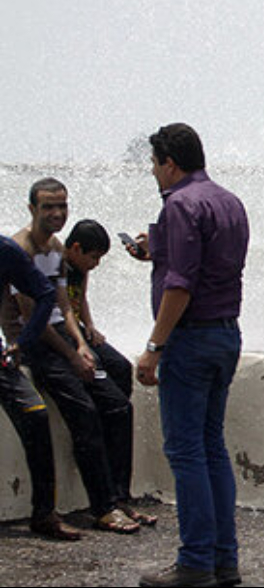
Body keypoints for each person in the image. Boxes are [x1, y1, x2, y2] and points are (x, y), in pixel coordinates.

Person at [132, 124, 250, 588]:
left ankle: (195, 562)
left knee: (185, 453)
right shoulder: (229, 201)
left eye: (155, 166)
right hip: (226, 335)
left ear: (170, 163)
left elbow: (181, 284)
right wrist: (155, 250)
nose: (155, 175)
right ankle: (224, 560)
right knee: (211, 447)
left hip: (191, 340)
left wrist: (153, 348)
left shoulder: (180, 203)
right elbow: (210, 262)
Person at [1, 178, 140, 534]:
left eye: (62, 206)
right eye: (48, 207)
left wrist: (81, 344)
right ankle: (102, 507)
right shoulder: (21, 250)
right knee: (85, 411)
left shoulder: (56, 249)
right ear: (32, 209)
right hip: (36, 345)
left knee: (118, 405)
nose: (57, 213)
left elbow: (64, 305)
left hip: (61, 338)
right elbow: (34, 318)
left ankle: (119, 498)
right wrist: (72, 355)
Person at [64, 218, 157, 525]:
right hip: (62, 340)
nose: (96, 264)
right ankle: (111, 498)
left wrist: (89, 327)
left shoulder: (80, 268)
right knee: (118, 407)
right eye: (93, 258)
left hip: (76, 331)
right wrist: (80, 343)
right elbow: (60, 309)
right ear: (76, 248)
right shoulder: (55, 266)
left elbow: (79, 303)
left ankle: (119, 489)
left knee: (120, 367)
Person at [0, 234, 83, 540]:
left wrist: (23, 341)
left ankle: (44, 513)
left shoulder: (5, 250)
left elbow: (46, 294)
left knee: (35, 414)